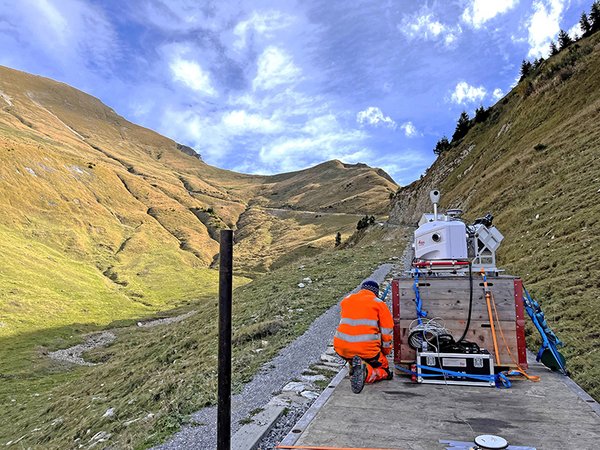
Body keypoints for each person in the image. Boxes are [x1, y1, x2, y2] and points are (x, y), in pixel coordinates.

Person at [333, 280, 394, 394]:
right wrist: (385, 351)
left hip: (341, 349)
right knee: (383, 367)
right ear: (376, 292)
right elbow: (387, 332)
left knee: (357, 357)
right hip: (367, 351)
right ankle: (366, 373)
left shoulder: (347, 299)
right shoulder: (379, 304)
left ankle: (354, 365)